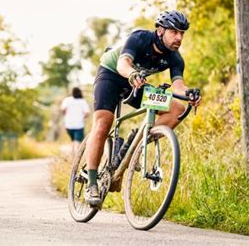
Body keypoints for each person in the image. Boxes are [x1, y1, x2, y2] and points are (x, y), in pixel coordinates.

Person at [84, 10, 202, 207]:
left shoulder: (175, 58)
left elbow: (179, 86)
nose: (179, 37)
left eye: (182, 33)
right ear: (160, 31)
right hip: (112, 74)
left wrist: (190, 93)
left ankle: (134, 144)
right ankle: (92, 181)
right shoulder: (140, 37)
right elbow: (124, 63)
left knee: (177, 110)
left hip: (136, 82)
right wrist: (131, 74)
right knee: (104, 124)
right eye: (174, 32)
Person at [61, 87, 90, 155]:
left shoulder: (67, 100)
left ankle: (73, 154)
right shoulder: (82, 101)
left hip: (68, 124)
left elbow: (63, 110)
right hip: (79, 125)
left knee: (73, 140)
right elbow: (87, 113)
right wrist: (83, 117)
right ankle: (75, 155)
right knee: (77, 141)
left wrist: (66, 115)